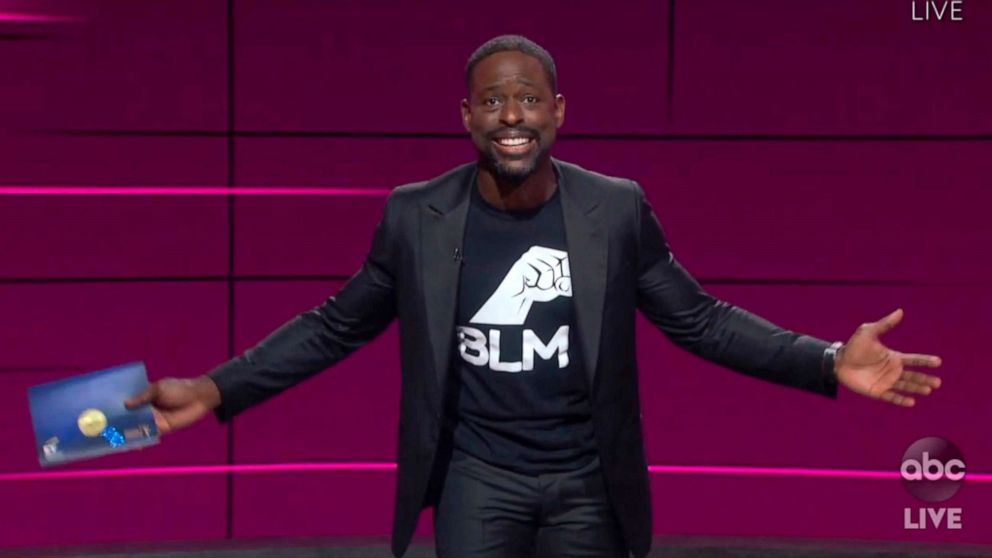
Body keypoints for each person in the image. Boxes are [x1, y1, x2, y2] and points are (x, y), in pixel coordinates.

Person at [125, 35, 944, 558]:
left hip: (590, 483)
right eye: (491, 100)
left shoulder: (613, 209)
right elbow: (336, 326)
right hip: (479, 481)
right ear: (467, 117)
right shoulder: (417, 216)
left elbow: (700, 320)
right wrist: (214, 387)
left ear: (557, 112)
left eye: (527, 99)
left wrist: (829, 360)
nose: (510, 115)